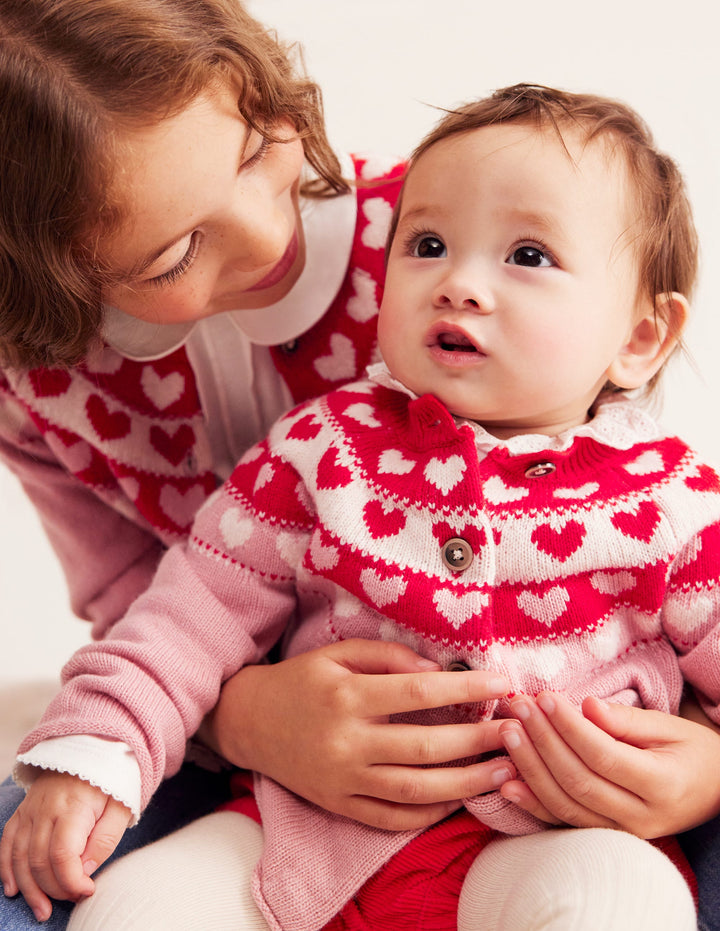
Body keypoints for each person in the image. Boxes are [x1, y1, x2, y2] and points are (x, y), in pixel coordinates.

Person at [0, 2, 719, 926]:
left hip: (563, 818)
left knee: (619, 896)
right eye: (174, 251)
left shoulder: (661, 495)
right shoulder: (315, 454)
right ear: (56, 279)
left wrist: (705, 766)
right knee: (67, 876)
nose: (266, 234)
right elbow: (170, 614)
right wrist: (222, 727)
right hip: (294, 805)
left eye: (260, 152)